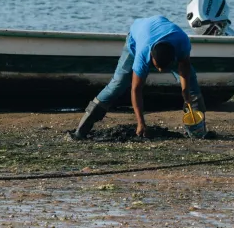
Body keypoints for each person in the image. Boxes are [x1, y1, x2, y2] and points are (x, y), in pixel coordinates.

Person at [73, 15, 204, 139]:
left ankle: (198, 132)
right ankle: (81, 130)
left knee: (191, 85)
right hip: (137, 38)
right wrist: (140, 123)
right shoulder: (142, 54)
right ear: (151, 57)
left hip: (163, 31)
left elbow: (184, 66)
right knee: (118, 84)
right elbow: (136, 89)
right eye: (157, 66)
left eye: (163, 68)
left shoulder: (183, 42)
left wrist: (186, 93)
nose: (159, 71)